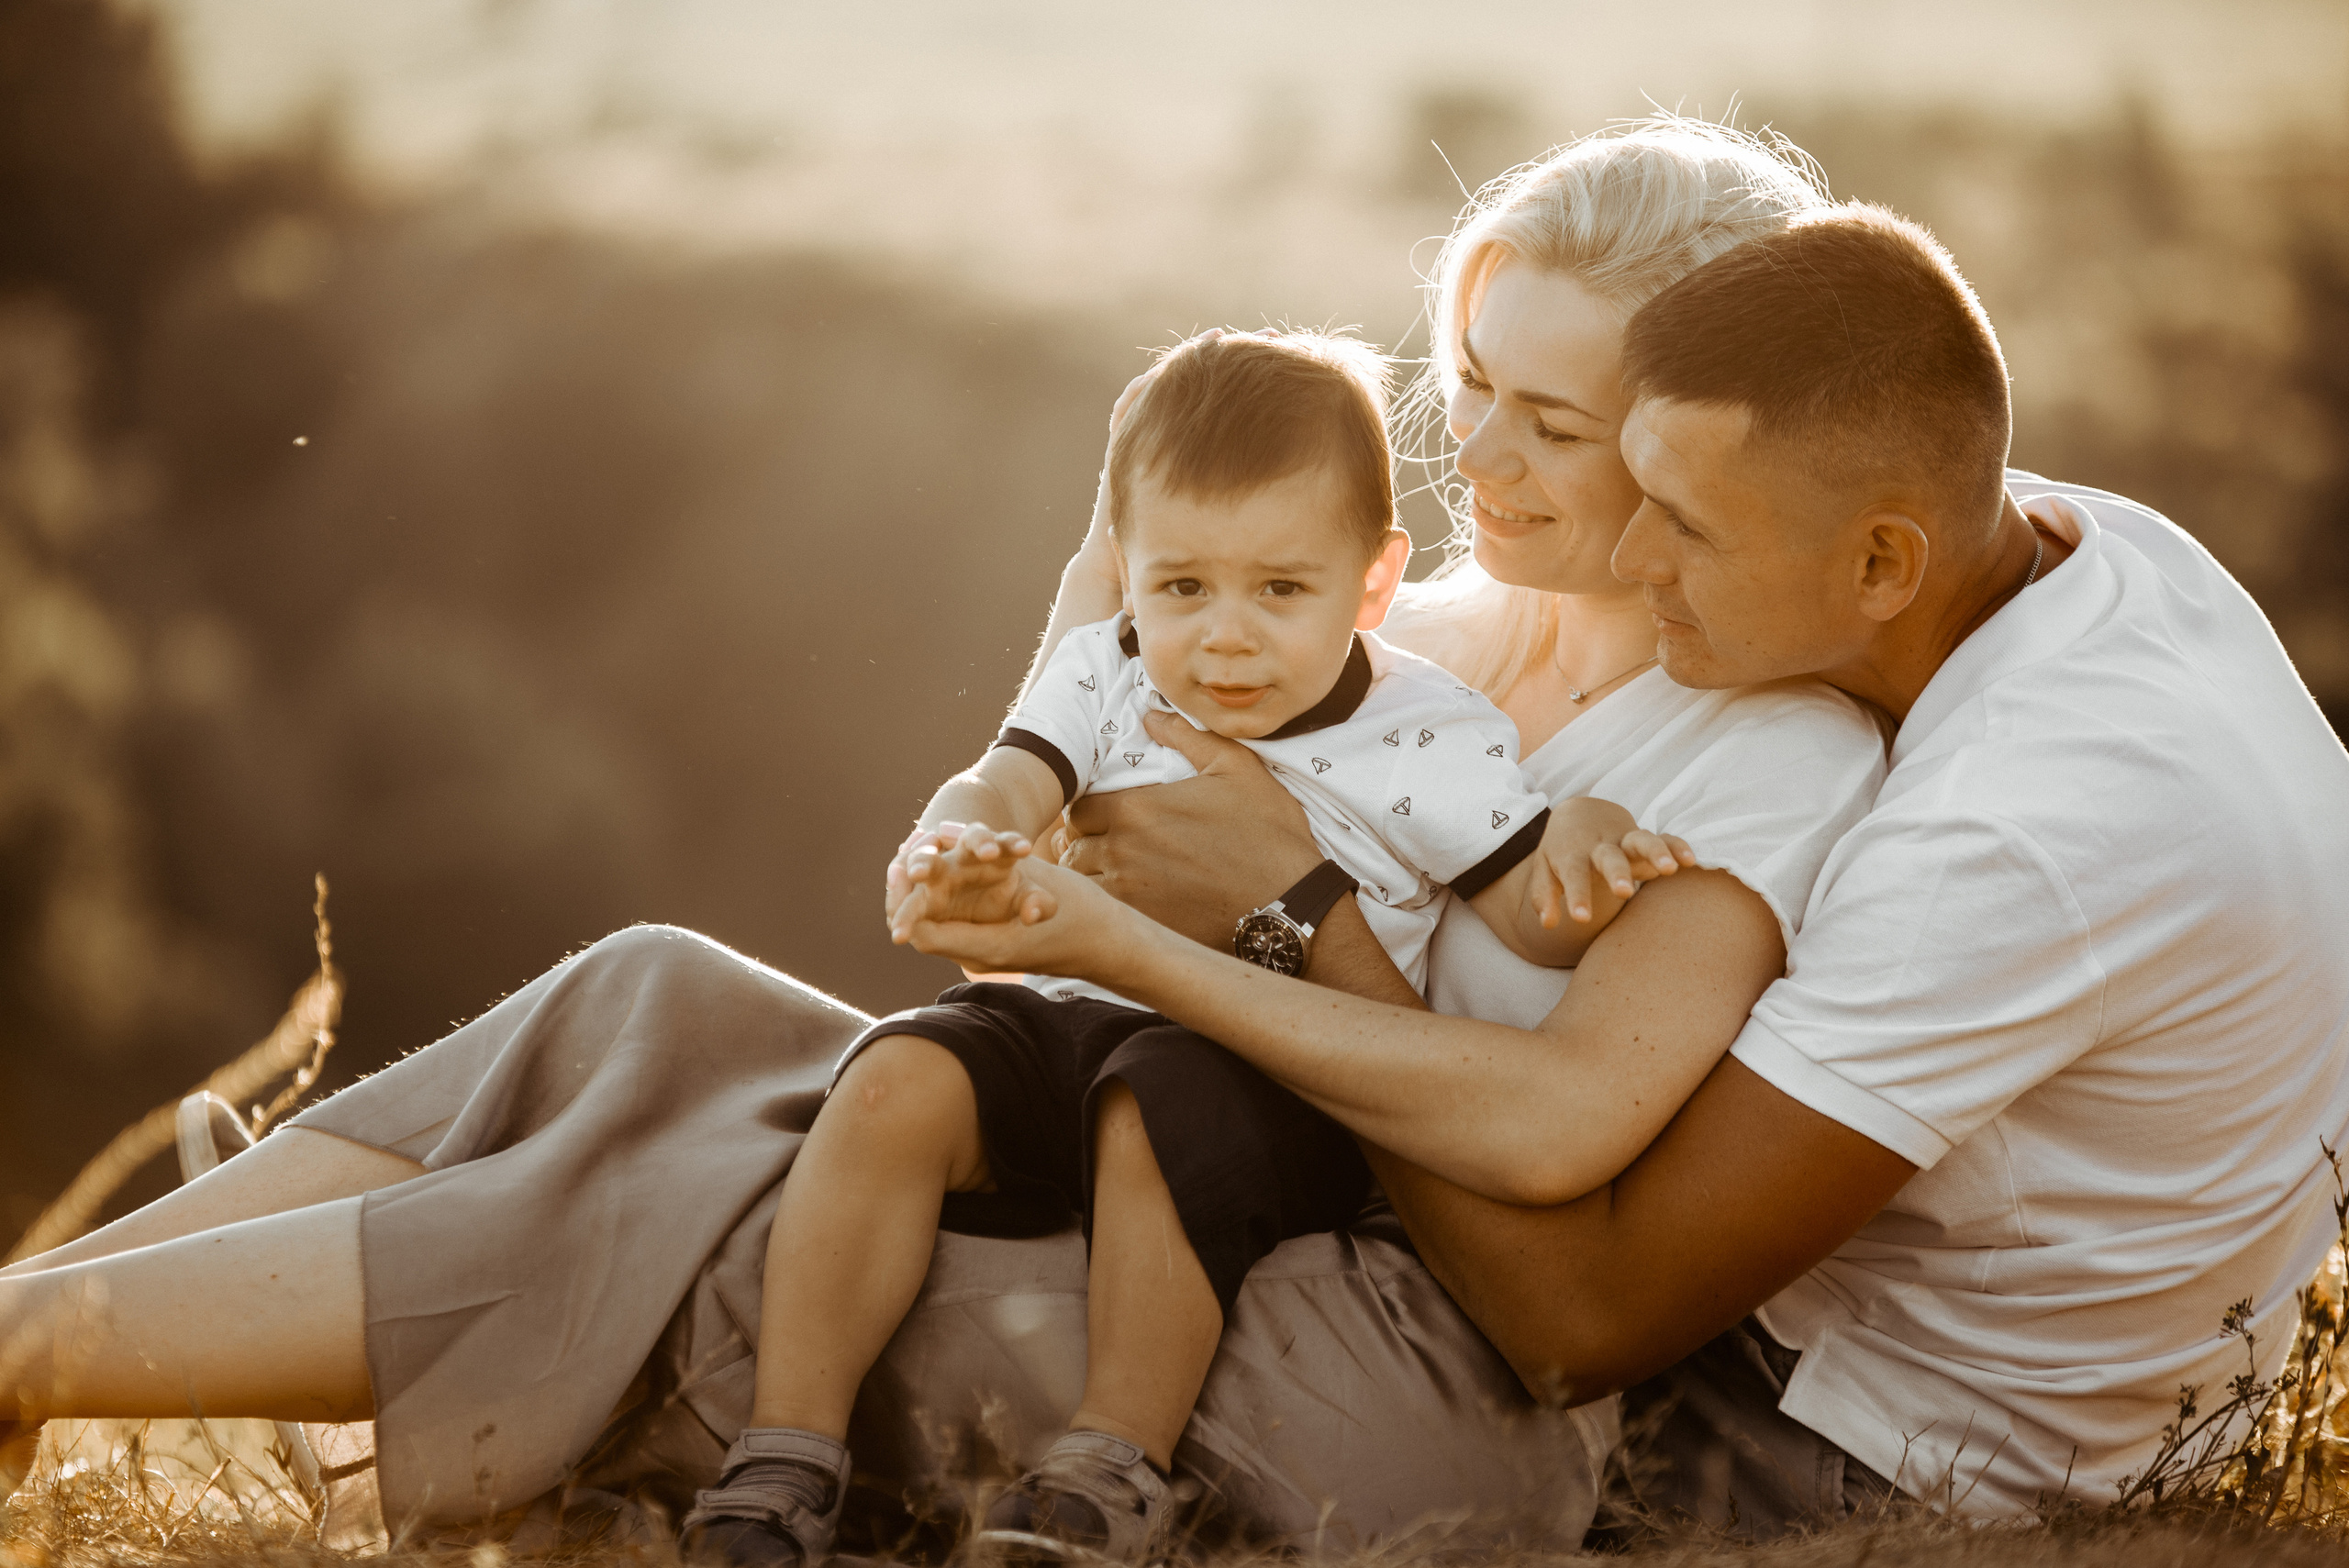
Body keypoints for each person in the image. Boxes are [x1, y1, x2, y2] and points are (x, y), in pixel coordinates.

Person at [0, 121, 1893, 1549]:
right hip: (1168, 1141)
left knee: (740, 1209)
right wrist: (1013, 772)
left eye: (1544, 424)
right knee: (653, 994)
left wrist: (1255, 912)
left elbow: (1553, 1127)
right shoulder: (1428, 636)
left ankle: (74, 1362)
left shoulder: (1758, 756)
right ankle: (76, 1318)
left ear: (1695, 439)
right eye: (1463, 387)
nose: (1470, 458)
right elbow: (1071, 806)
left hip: (1359, 1321)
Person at [896, 202, 2349, 1522]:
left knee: (969, 1281)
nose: (1638, 560)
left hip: (1856, 1444)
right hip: (1861, 1338)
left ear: (1883, 564)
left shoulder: (2013, 827)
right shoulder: (2084, 552)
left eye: (1688, 526)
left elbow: (1578, 1319)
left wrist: (1284, 910)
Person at [676, 328, 1693, 1568]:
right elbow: (1004, 779)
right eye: (1182, 588)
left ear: (1373, 584)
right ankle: (786, 1446)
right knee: (895, 1076)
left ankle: (1108, 1464)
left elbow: (1527, 902)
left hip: (1261, 1067)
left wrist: (1582, 843)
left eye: (1280, 590)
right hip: (1062, 1014)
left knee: (1153, 1109)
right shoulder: (1104, 671)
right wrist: (957, 843)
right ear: (1128, 575)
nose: (1224, 638)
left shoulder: (1425, 732)